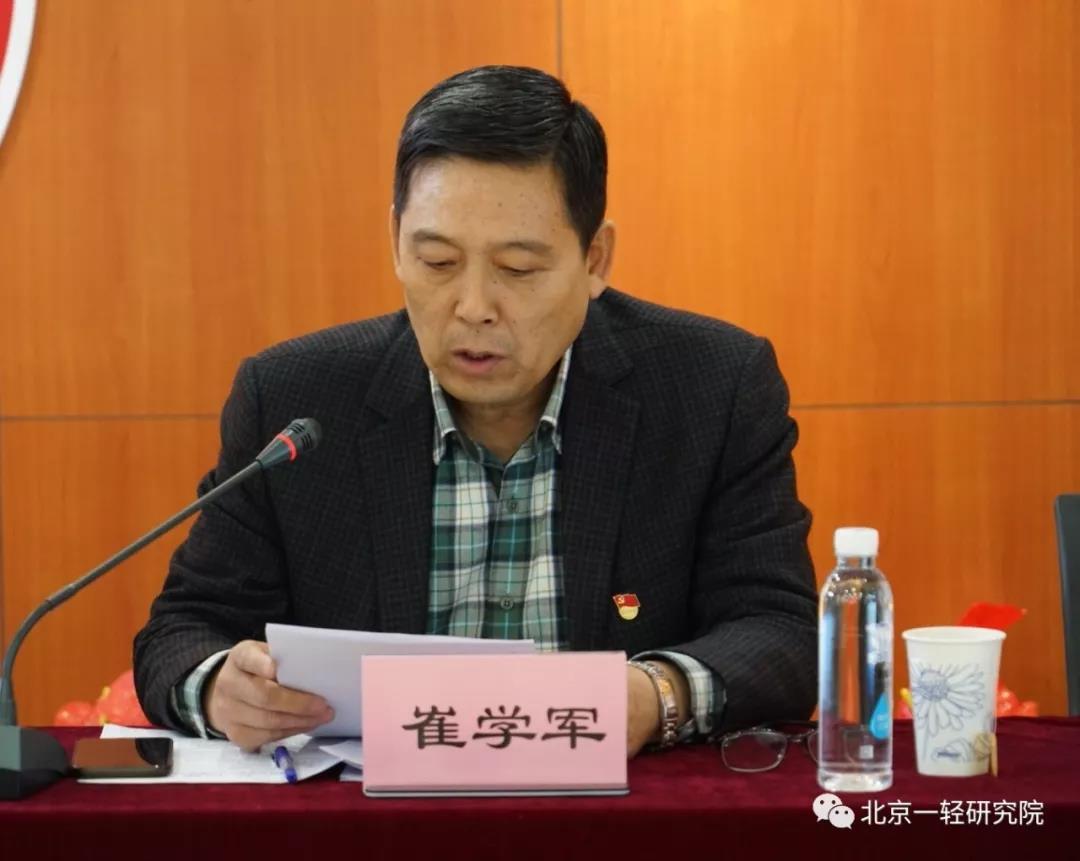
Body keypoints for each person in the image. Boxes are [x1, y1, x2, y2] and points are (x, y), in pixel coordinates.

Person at [134, 65, 817, 757]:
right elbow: (183, 630)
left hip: (612, 805)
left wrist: (655, 696)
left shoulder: (713, 387)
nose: (473, 307)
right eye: (437, 262)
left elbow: (781, 632)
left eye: (518, 269)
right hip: (370, 810)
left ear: (595, 259)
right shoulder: (294, 399)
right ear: (396, 240)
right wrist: (221, 687)